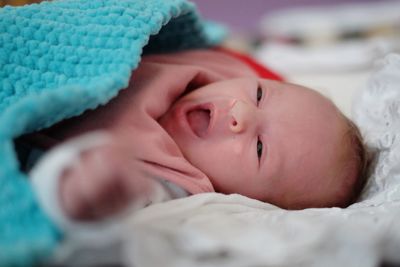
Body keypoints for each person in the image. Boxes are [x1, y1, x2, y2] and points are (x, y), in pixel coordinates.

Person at [27, 48, 368, 223]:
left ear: (243, 199)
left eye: (260, 148)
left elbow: (85, 211)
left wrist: (87, 192)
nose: (242, 112)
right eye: (260, 94)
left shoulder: (163, 184)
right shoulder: (208, 67)